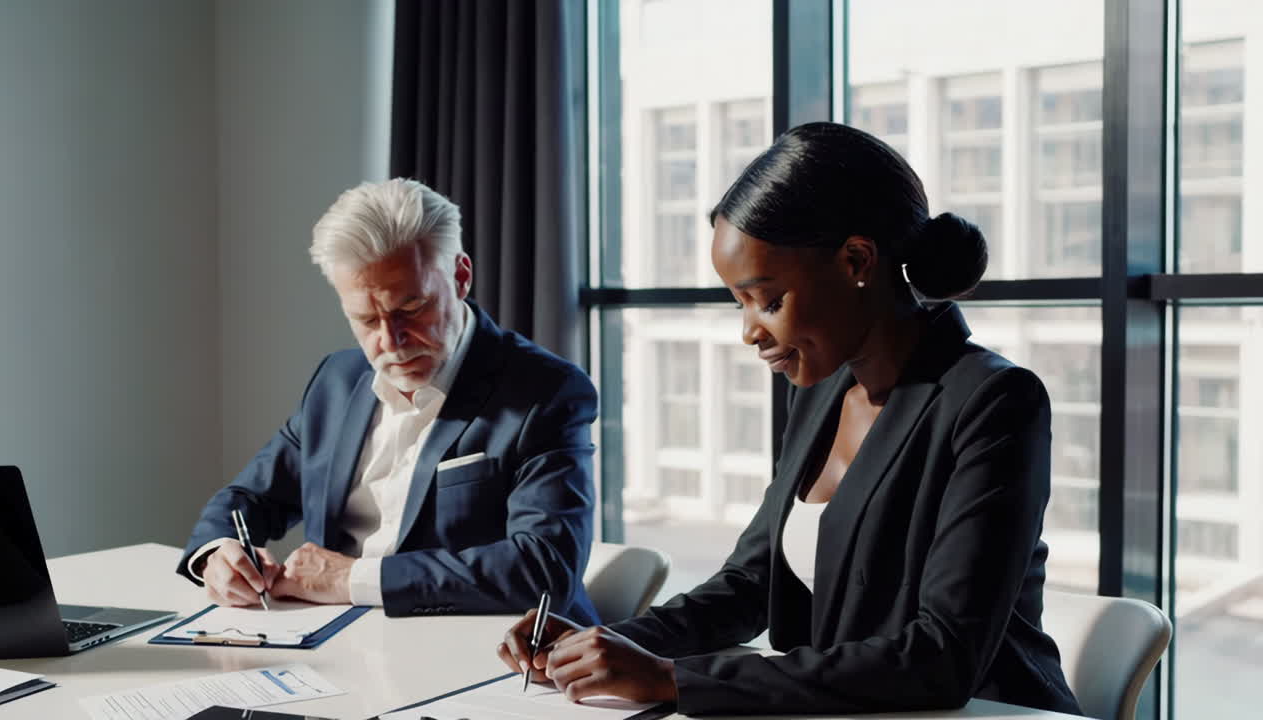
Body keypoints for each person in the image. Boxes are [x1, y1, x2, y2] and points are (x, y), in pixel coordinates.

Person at [497, 122, 1082, 715]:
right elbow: (750, 585)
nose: (750, 331)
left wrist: (675, 680)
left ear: (856, 260)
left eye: (769, 300)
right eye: (741, 303)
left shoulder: (993, 401)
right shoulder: (823, 392)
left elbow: (942, 657)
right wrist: (602, 645)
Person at [177, 178, 599, 625]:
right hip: (335, 640)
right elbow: (250, 496)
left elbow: (543, 567)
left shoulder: (547, 392)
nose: (391, 342)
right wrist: (218, 552)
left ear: (460, 277)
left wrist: (351, 578)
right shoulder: (336, 381)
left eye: (411, 309)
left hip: (485, 647)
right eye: (365, 319)